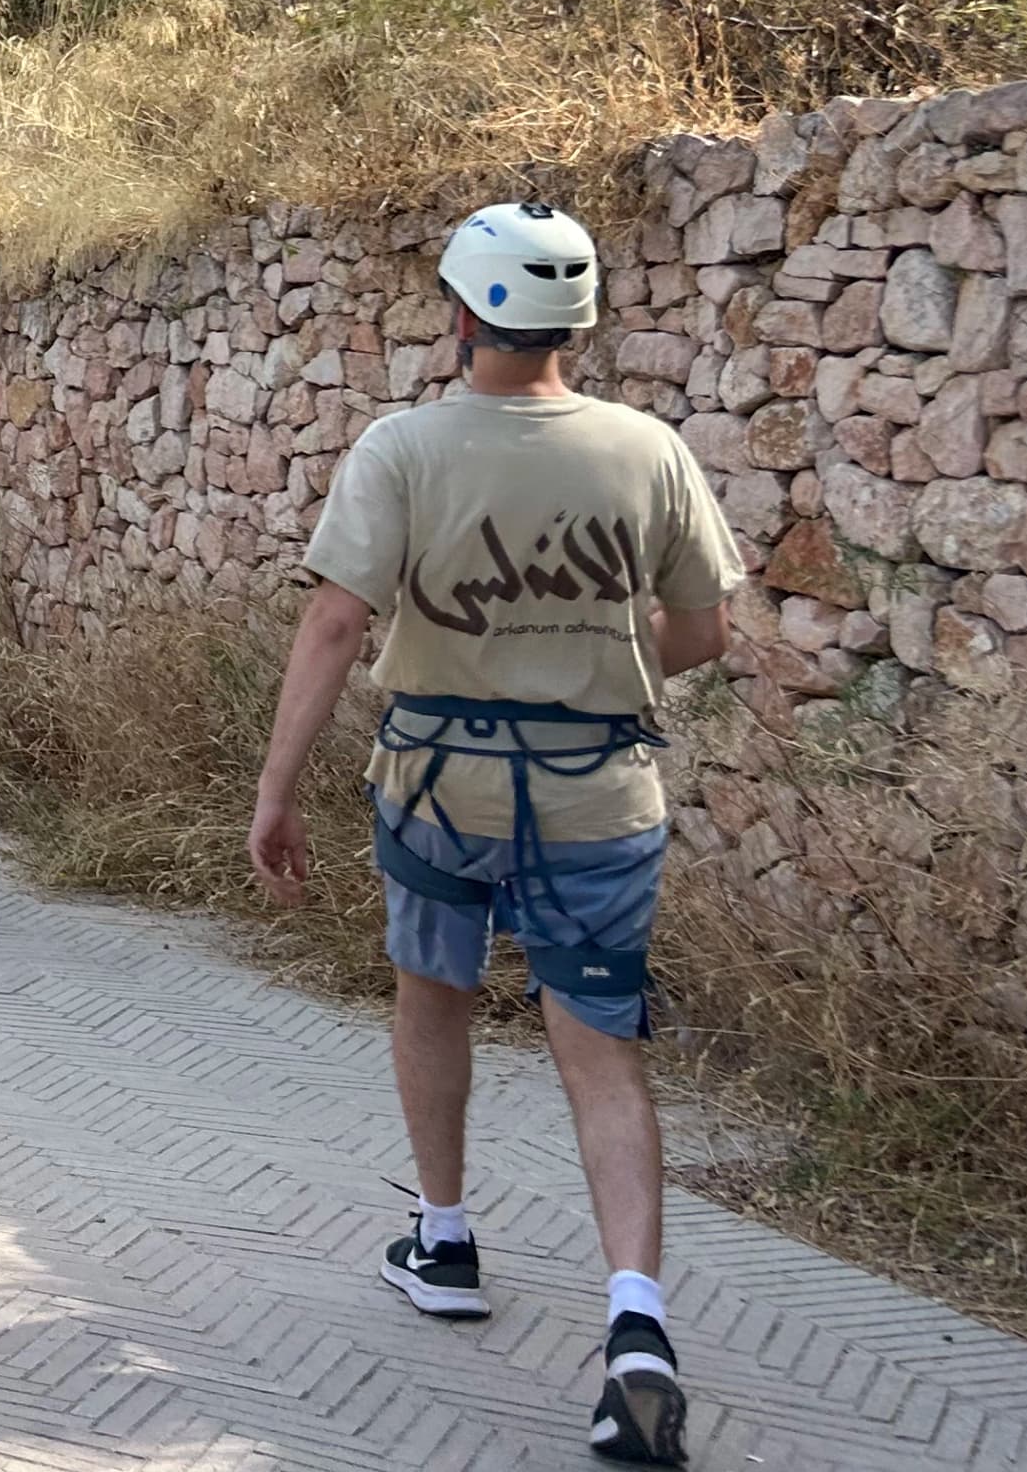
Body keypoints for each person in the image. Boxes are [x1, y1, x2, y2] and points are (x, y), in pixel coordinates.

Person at [247, 202, 740, 1469]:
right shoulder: (650, 450)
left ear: (463, 315)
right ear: (579, 320)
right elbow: (699, 636)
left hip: (439, 785)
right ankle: (636, 1332)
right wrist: (592, 656)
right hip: (599, 792)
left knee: (433, 998)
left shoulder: (405, 447)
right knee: (602, 1048)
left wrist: (277, 789)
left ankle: (448, 1240)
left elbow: (334, 628)